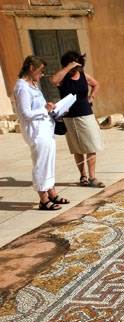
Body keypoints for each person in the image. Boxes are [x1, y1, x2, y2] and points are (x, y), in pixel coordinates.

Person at [13, 55, 69, 211]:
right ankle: (43, 199)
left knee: (49, 162)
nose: (42, 74)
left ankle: (52, 192)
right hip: (36, 132)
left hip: (46, 129)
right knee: (41, 164)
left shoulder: (33, 85)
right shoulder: (21, 87)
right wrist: (44, 109)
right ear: (31, 68)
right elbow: (25, 114)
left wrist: (51, 107)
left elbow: (40, 106)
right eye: (40, 71)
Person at [50, 51, 105, 188]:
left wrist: (91, 97)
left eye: (78, 65)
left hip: (86, 114)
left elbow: (96, 84)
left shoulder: (84, 76)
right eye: (74, 65)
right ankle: (83, 176)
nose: (77, 68)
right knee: (77, 148)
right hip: (70, 118)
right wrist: (68, 68)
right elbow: (53, 81)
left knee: (92, 145)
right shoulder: (63, 79)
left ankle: (92, 177)